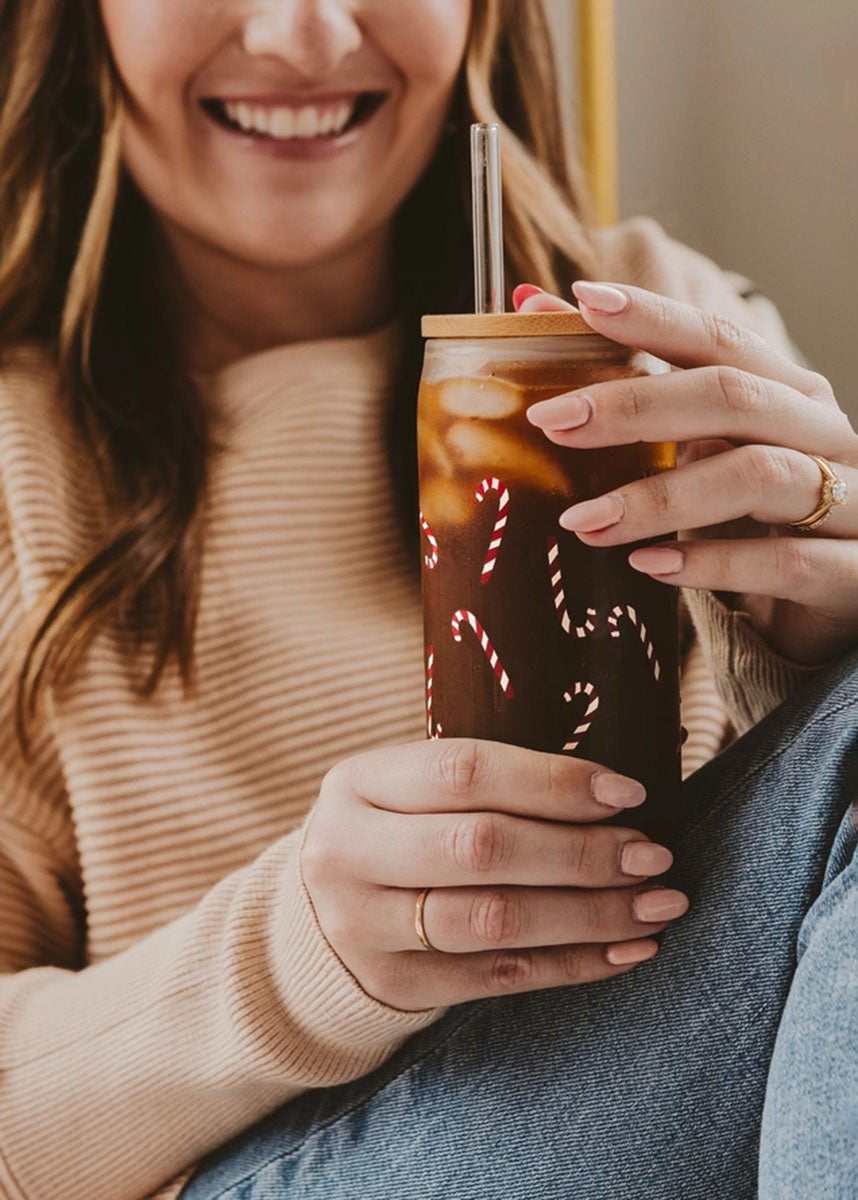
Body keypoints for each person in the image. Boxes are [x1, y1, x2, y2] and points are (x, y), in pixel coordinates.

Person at [0, 1, 855, 1198]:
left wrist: (811, 662)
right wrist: (297, 955)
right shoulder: (18, 463)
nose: (302, 37)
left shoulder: (663, 326)